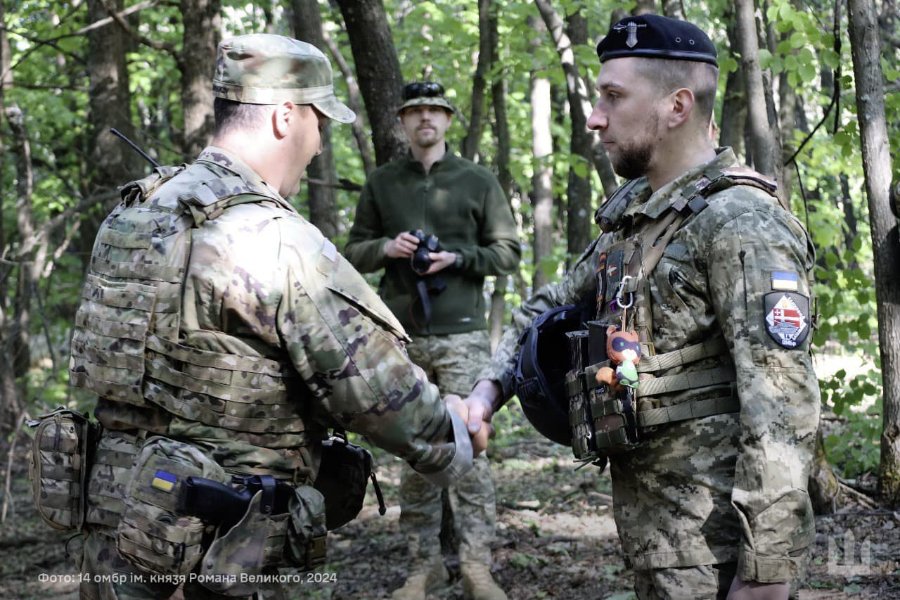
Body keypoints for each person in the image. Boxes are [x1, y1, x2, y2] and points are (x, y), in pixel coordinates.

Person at [68, 34, 474, 600]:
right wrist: (454, 432)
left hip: (113, 541)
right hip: (216, 553)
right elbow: (384, 395)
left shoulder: (132, 213)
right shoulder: (274, 239)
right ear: (286, 116)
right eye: (319, 122)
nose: (319, 144)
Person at [464, 14, 819, 600]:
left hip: (720, 551)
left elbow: (783, 404)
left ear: (677, 106)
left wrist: (766, 570)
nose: (594, 116)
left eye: (613, 96)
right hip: (658, 538)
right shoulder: (639, 212)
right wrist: (487, 390)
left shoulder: (743, 223)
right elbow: (554, 303)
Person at [344, 81, 520, 600]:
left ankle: (476, 566)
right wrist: (387, 248)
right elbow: (351, 253)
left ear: (447, 120)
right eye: (415, 111)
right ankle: (423, 568)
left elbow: (508, 253)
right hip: (401, 339)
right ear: (402, 121)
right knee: (415, 452)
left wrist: (458, 258)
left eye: (435, 111)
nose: (425, 118)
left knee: (472, 445)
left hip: (463, 335)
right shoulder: (382, 183)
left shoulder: (476, 180)